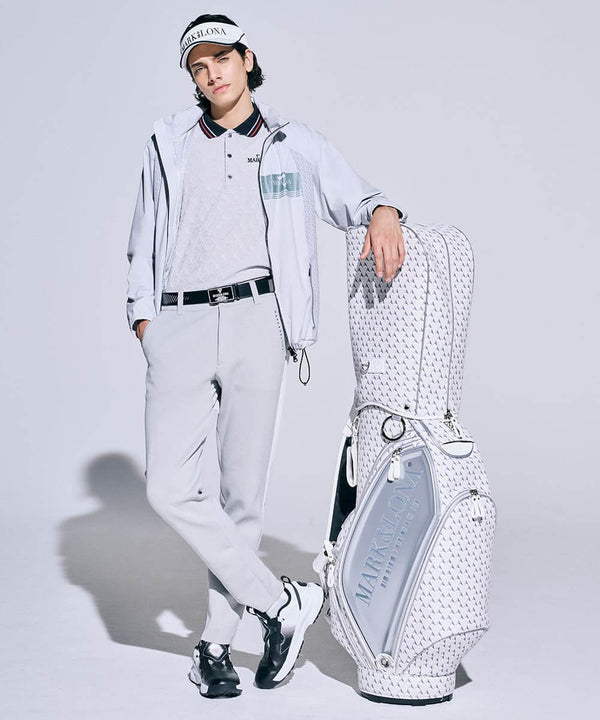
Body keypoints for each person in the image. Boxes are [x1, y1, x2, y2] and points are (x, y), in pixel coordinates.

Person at [125, 12, 406, 699]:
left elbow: (358, 196)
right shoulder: (169, 141)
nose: (212, 73)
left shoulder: (291, 143)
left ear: (247, 59)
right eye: (198, 66)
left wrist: (383, 211)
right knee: (168, 487)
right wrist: (144, 322)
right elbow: (144, 234)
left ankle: (215, 647)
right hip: (180, 322)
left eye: (221, 58)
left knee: (240, 498)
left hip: (258, 322)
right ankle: (283, 604)